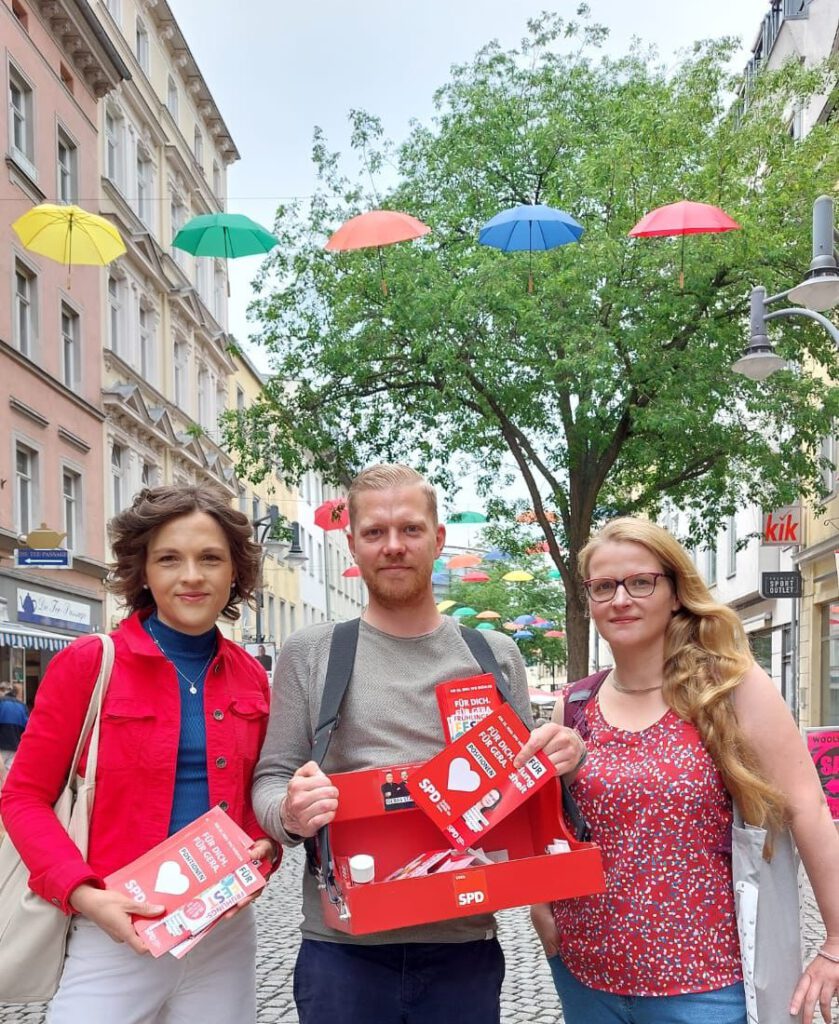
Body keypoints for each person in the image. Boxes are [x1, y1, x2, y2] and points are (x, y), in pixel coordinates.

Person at [253, 463, 584, 1024]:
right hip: (343, 950)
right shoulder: (313, 653)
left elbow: (522, 786)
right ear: (352, 545)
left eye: (409, 529)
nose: (393, 547)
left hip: (464, 943)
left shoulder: (494, 654)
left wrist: (562, 763)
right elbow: (271, 777)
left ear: (438, 539)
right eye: (375, 533)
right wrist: (289, 810)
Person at [530, 517, 839, 1024]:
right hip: (588, 978)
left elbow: (807, 806)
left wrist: (835, 941)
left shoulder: (730, 689)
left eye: (640, 582)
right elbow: (551, 829)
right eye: (603, 587)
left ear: (675, 593)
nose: (620, 599)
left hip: (704, 986)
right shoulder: (577, 703)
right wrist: (542, 910)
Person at [1, 485, 278, 1023]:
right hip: (114, 929)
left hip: (223, 931)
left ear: (235, 573)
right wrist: (84, 895)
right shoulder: (89, 663)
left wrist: (268, 847)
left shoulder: (252, 677)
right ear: (144, 571)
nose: (192, 576)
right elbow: (23, 797)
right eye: (169, 558)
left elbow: (261, 795)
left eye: (211, 558)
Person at [0, 681, 29, 768]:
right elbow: (26, 728)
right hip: (15, 747)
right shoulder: (22, 706)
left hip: (1, 747)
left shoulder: (1, 702)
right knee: (8, 776)